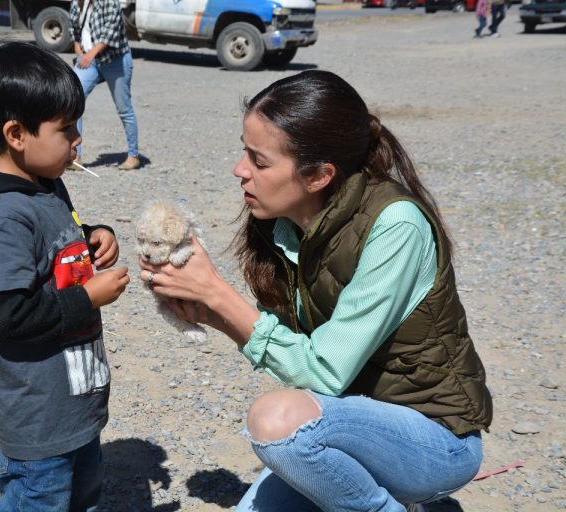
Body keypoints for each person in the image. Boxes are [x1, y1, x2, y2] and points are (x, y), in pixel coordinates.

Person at [139, 70, 493, 511]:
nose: (240, 170)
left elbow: (324, 372)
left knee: (277, 422)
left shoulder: (396, 226)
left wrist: (218, 294)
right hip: (351, 422)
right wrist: (208, 312)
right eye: (243, 151)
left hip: (435, 440)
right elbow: (303, 357)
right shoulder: (284, 225)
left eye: (259, 160)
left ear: (319, 176)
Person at [0, 41, 130, 510]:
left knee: (83, 496)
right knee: (41, 498)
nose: (78, 139)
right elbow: (8, 316)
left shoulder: (44, 184)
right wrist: (89, 298)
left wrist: (95, 233)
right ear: (16, 134)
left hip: (72, 404)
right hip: (37, 415)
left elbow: (58, 240)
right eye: (66, 129)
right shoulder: (3, 216)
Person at [69, 0, 141, 170]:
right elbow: (74, 29)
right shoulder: (75, 3)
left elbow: (111, 32)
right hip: (89, 60)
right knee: (74, 100)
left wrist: (90, 54)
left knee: (124, 109)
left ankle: (133, 155)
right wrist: (79, 52)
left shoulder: (108, 2)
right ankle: (75, 156)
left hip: (114, 60)